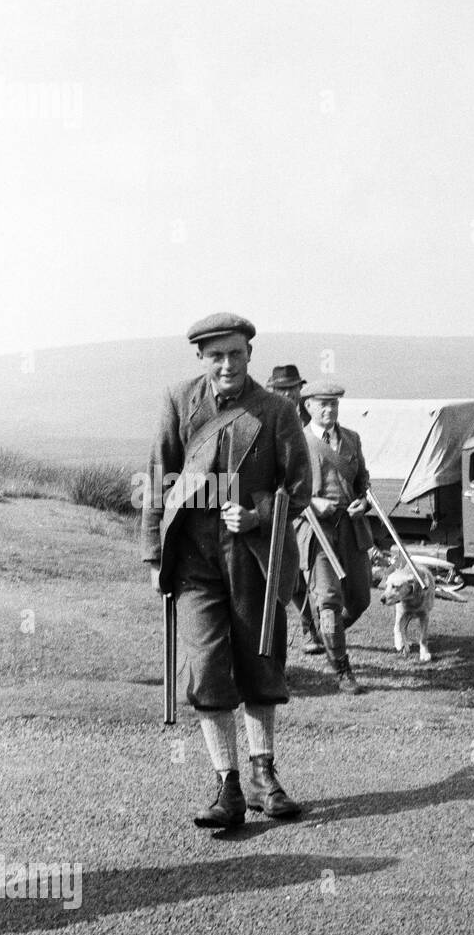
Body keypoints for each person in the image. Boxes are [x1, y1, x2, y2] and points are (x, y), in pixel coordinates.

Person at [142, 313, 312, 827]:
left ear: (249, 355)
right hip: (194, 559)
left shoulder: (277, 410)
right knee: (208, 667)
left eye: (236, 354)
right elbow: (158, 477)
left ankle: (265, 776)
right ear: (201, 358)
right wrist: (154, 554)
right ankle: (228, 788)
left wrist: (258, 513)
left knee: (261, 663)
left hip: (254, 558)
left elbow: (299, 489)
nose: (227, 365)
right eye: (216, 356)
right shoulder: (177, 401)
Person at [296, 381, 374, 694]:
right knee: (329, 599)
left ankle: (323, 629)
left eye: (334, 404)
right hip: (315, 528)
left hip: (350, 528)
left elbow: (363, 481)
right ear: (308, 407)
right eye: (322, 404)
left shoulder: (352, 439)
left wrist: (363, 502)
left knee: (359, 598)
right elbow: (284, 487)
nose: (329, 409)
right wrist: (311, 502)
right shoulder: (296, 442)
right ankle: (343, 670)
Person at [266, 364, 326, 656]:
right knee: (290, 570)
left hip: (318, 503)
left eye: (293, 387)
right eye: (282, 388)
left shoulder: (312, 418)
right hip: (283, 506)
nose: (289, 393)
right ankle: (308, 629)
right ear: (272, 390)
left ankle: (330, 624)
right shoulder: (267, 417)